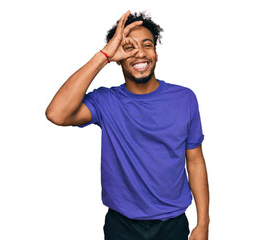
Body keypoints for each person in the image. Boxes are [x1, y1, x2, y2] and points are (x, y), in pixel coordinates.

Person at [46, 10, 210, 240]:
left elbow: (195, 161)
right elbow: (56, 113)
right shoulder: (105, 101)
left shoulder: (185, 98)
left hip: (172, 224)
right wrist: (103, 55)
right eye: (129, 47)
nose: (140, 54)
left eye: (147, 45)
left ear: (156, 51)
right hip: (122, 226)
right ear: (118, 55)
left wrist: (203, 223)